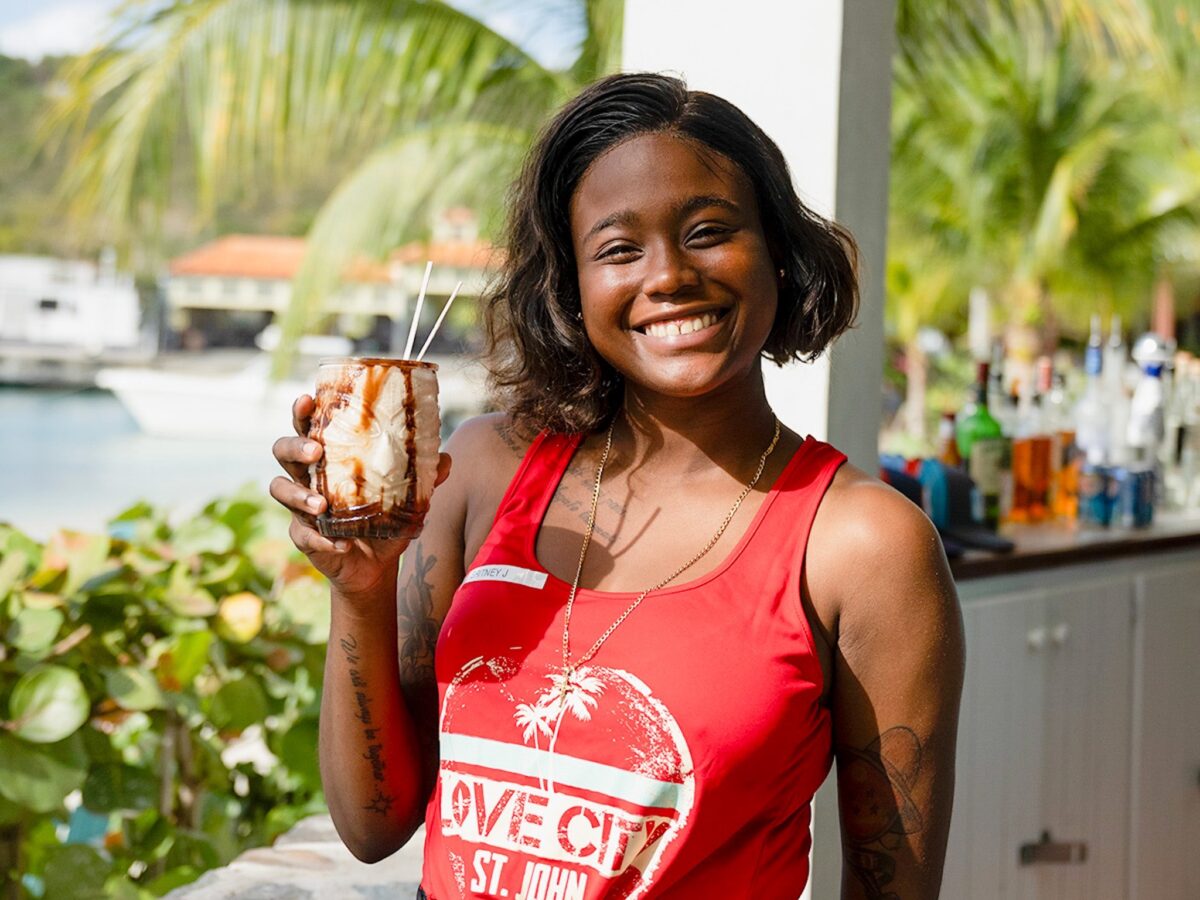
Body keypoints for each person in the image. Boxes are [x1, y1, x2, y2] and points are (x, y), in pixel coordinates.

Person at [272, 73, 964, 900]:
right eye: (618, 248)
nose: (668, 275)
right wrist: (360, 590)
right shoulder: (484, 472)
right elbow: (374, 826)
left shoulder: (862, 546)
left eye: (708, 231)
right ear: (571, 287)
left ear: (778, 250)